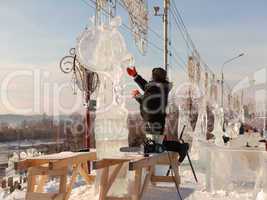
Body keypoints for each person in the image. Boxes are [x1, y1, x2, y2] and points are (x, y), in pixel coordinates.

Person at [127, 66, 189, 162]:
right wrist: (135, 76)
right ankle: (180, 147)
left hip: (153, 120)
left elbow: (148, 103)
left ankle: (180, 147)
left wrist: (138, 96)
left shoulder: (156, 88)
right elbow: (146, 87)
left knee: (155, 145)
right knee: (157, 143)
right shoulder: (161, 86)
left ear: (154, 77)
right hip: (157, 119)